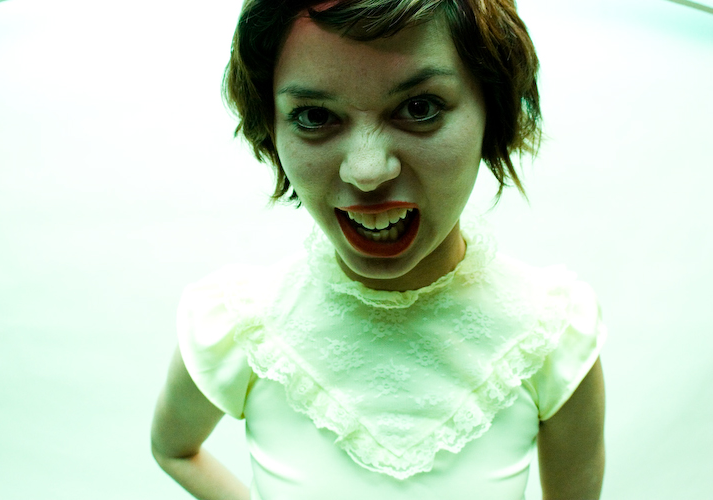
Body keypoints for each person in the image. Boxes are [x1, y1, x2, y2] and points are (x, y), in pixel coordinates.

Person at [150, 1, 607, 499]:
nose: (367, 172)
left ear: (493, 111)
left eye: (420, 108)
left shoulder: (552, 330)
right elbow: (173, 449)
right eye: (315, 116)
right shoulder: (241, 322)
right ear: (272, 126)